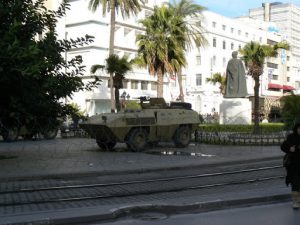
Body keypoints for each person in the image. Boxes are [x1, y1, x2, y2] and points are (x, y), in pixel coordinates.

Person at [281, 123, 300, 209]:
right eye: (299, 128)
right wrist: (289, 149)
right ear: (296, 129)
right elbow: (283, 147)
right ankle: (295, 201)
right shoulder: (291, 137)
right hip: (293, 165)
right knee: (295, 182)